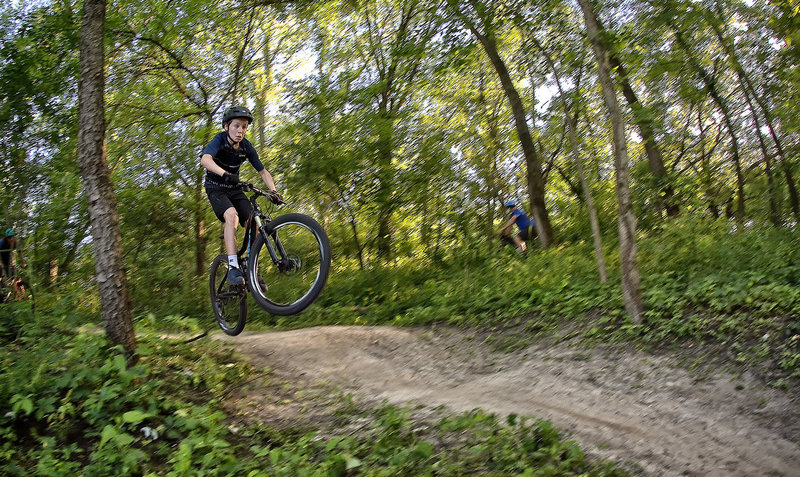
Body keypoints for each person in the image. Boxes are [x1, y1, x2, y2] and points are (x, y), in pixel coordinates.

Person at [200, 106, 282, 286]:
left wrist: (274, 191)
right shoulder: (219, 140)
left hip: (234, 189)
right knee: (232, 216)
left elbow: (263, 171)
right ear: (226, 126)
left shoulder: (246, 147)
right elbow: (205, 159)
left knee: (254, 221)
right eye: (236, 126)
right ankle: (233, 267)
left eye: (244, 127)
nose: (240, 130)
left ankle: (252, 268)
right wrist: (224, 174)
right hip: (216, 188)